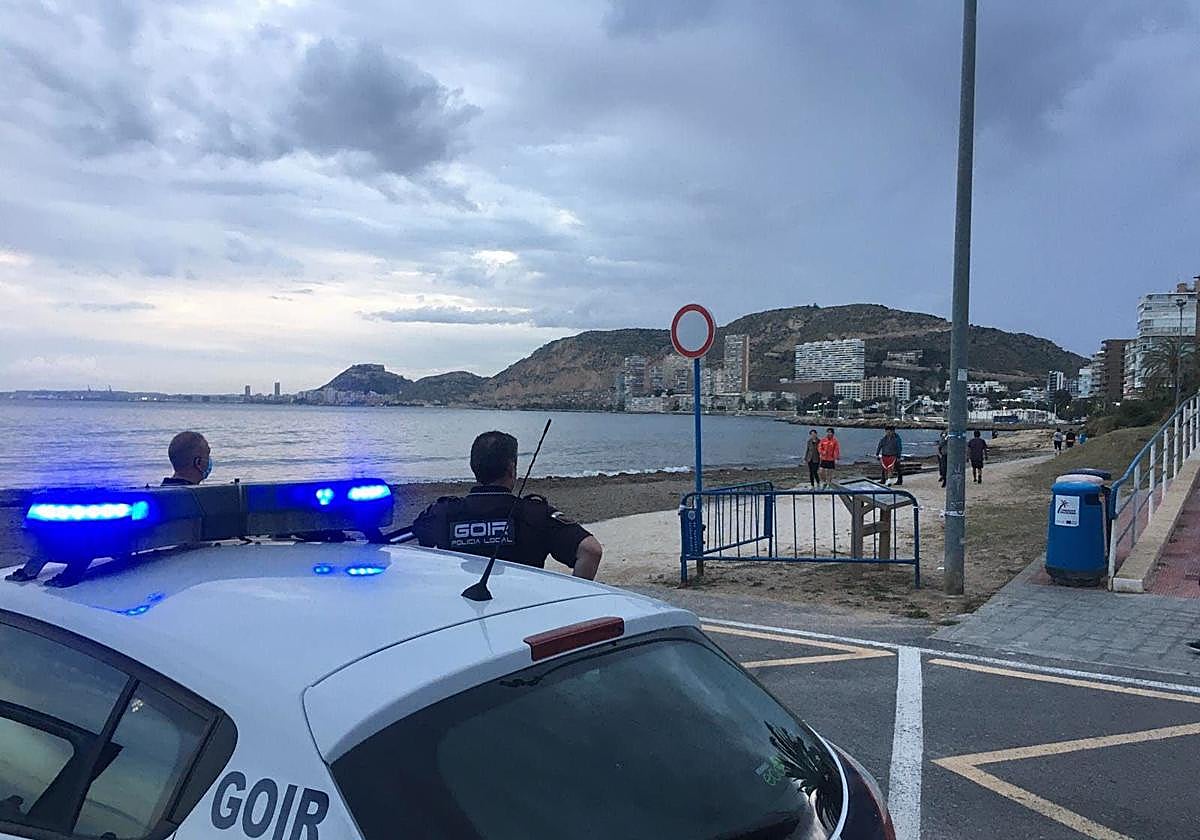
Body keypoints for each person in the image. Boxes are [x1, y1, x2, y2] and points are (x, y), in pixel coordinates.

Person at [411, 431, 603, 579]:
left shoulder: (443, 511)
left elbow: (413, 547)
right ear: (511, 469)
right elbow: (591, 550)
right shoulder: (536, 514)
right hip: (522, 610)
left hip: (462, 613)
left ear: (473, 467)